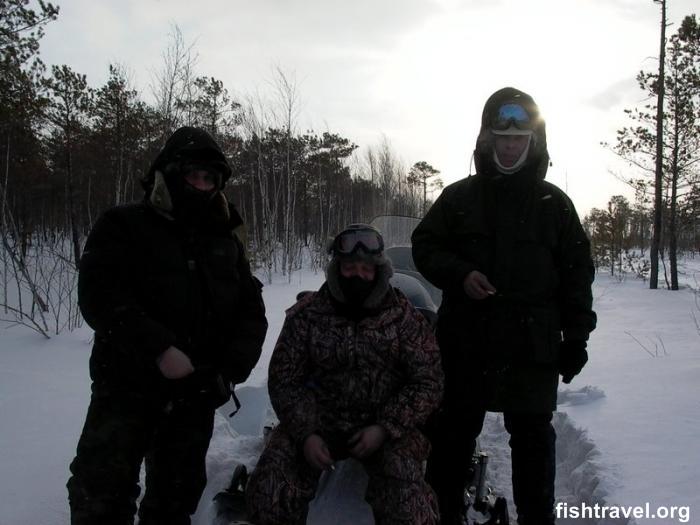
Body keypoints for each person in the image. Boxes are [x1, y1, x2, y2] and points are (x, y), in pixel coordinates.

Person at [411, 87, 597, 525]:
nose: (510, 147)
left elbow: (577, 275)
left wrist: (577, 337)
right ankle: (444, 516)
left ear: (533, 143)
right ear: (486, 140)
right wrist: (460, 274)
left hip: (531, 346)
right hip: (466, 342)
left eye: (519, 140)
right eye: (502, 138)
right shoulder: (458, 198)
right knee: (453, 435)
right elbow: (425, 245)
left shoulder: (555, 205)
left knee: (533, 440)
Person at [67, 126, 268, 525]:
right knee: (100, 496)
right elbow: (100, 296)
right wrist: (159, 347)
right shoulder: (124, 225)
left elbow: (251, 313)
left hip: (195, 393)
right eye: (193, 174)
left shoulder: (226, 242)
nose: (201, 184)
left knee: (174, 503)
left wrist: (228, 372)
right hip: (126, 386)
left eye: (210, 178)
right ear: (169, 172)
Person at [245, 224, 444, 525]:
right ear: (337, 268)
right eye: (350, 266)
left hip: (385, 427)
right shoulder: (307, 315)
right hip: (319, 421)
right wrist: (306, 433)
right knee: (269, 488)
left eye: (366, 267)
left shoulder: (405, 318)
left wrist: (385, 427)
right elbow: (284, 380)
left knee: (410, 507)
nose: (358, 274)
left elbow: (428, 382)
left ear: (380, 271)